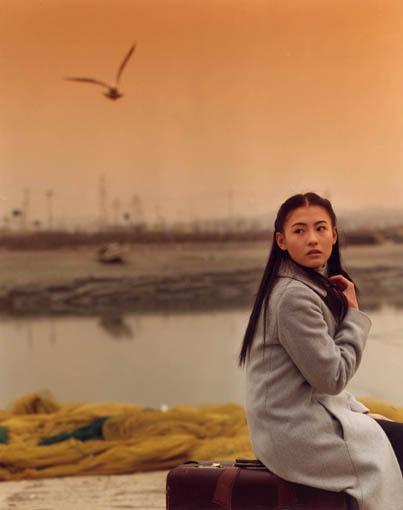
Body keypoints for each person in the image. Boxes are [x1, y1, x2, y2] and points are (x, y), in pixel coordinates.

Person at [238, 192, 403, 510]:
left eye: (320, 228)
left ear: (334, 235)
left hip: (298, 422)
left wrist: (362, 412)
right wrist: (353, 316)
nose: (312, 239)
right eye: (299, 230)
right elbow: (331, 378)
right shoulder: (293, 297)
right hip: (296, 433)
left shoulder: (304, 286)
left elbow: (316, 377)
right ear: (281, 241)